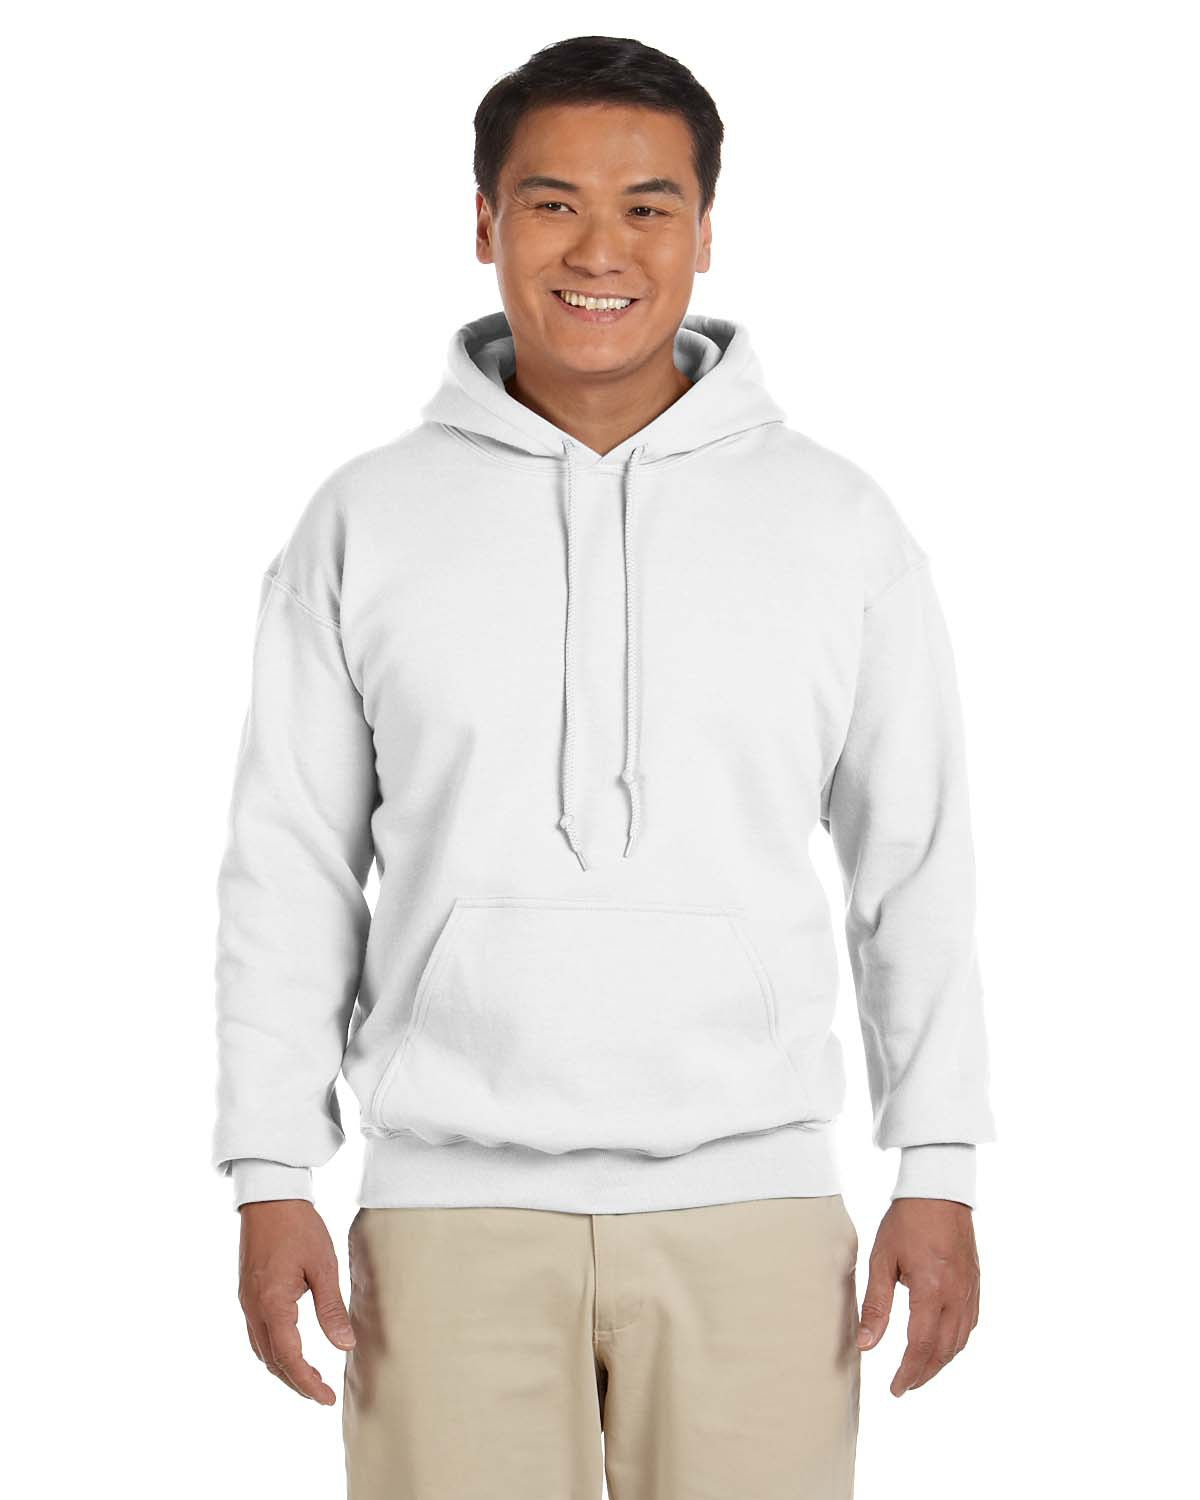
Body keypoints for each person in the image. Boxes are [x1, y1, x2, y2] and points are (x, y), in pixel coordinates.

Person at [212, 33, 996, 1499]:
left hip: (756, 1203)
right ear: (485, 221)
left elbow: (916, 861)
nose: (599, 249)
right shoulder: (365, 522)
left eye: (647, 206)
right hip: (444, 1218)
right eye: (553, 201)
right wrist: (270, 1175)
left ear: (704, 229)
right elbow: (291, 864)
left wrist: (937, 1164)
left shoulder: (838, 525)